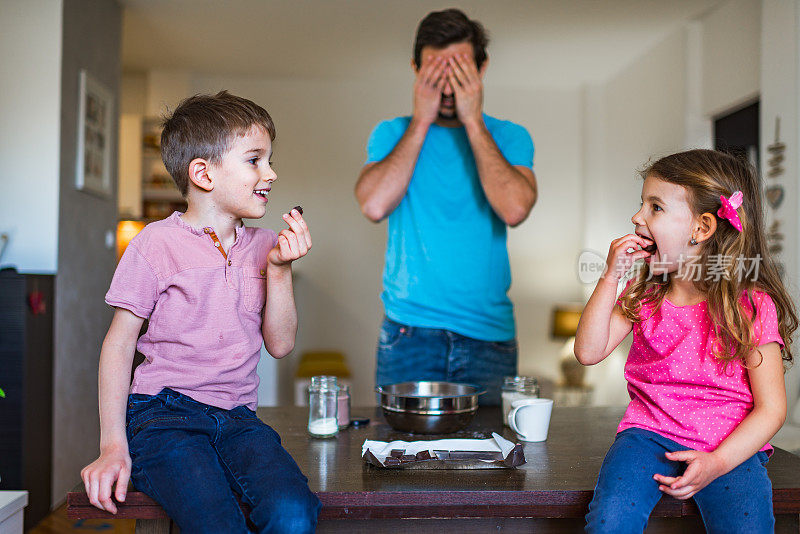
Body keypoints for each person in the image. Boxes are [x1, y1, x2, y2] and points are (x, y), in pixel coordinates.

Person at [80, 91, 320, 533]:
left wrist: (280, 271)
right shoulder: (155, 243)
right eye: (255, 160)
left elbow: (281, 345)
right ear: (203, 174)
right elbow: (118, 345)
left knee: (295, 512)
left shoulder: (266, 246)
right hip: (164, 415)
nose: (271, 172)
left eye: (269, 159)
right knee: (216, 521)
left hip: (239, 418)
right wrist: (113, 444)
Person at [575, 149, 798, 533]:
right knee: (610, 520)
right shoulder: (644, 294)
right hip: (646, 436)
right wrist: (610, 278)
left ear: (702, 228)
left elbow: (772, 409)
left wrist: (719, 462)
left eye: (655, 207)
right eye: (641, 204)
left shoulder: (751, 307)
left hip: (730, 446)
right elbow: (588, 351)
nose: (636, 217)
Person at [355, 8, 538, 405]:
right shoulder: (392, 133)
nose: (448, 86)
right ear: (415, 69)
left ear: (482, 67)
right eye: (437, 72)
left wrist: (474, 122)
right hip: (408, 335)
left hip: (489, 337)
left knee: (492, 460)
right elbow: (373, 205)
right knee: (399, 460)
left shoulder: (509, 136)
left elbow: (515, 209)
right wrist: (421, 122)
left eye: (460, 71)